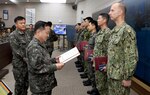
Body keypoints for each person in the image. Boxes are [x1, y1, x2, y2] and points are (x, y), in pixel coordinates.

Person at [107, 2, 138, 95]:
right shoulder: (114, 31)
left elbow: (132, 56)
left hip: (120, 77)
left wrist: (128, 77)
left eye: (112, 10)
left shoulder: (127, 30)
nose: (109, 13)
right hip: (111, 75)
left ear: (120, 12)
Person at [26, 21, 64, 95]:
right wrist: (55, 67)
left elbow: (42, 60)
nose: (48, 35)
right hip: (40, 87)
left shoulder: (40, 43)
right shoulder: (34, 47)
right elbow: (37, 68)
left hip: (45, 84)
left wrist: (54, 60)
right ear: (38, 32)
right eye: (46, 33)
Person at [9, 16, 31, 95]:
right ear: (16, 24)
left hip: (27, 65)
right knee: (19, 85)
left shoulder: (27, 34)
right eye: (21, 23)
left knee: (26, 84)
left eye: (24, 23)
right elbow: (17, 51)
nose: (23, 25)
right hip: (19, 65)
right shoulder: (13, 35)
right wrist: (29, 60)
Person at [92, 13, 111, 95]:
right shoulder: (100, 32)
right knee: (99, 83)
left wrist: (107, 65)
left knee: (103, 86)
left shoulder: (108, 33)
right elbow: (97, 47)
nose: (97, 20)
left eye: (99, 18)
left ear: (105, 20)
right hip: (97, 61)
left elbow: (109, 51)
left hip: (103, 63)